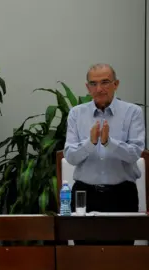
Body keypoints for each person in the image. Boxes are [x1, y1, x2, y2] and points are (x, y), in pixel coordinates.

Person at [64, 63, 145, 245]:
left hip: (122, 195)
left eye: (105, 82)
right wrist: (90, 143)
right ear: (87, 87)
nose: (99, 89)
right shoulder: (76, 114)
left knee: (121, 258)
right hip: (84, 194)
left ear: (116, 84)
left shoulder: (132, 112)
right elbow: (70, 156)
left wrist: (109, 143)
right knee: (84, 258)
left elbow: (135, 154)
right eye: (93, 84)